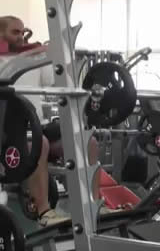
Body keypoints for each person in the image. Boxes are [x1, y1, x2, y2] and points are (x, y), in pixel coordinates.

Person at [0, 15, 103, 226]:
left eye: (22, 32)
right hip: (7, 132)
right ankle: (44, 212)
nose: (21, 37)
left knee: (87, 142)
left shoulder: (32, 59)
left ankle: (93, 204)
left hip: (37, 125)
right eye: (15, 32)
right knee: (41, 144)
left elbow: (56, 81)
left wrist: (54, 55)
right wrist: (32, 51)